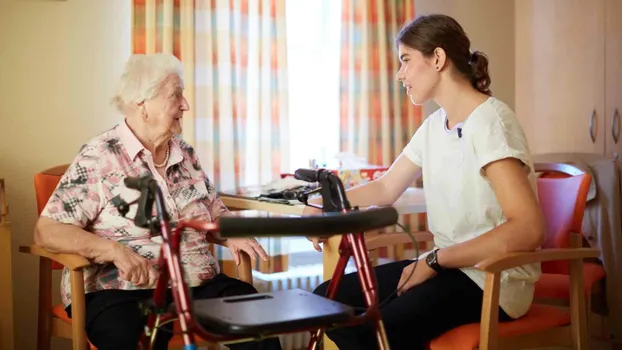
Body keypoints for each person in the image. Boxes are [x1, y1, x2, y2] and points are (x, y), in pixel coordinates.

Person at [308, 14, 545, 350]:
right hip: (447, 267)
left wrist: (434, 260)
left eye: (405, 61)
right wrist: (327, 210)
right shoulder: (436, 125)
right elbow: (387, 187)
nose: (399, 74)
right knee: (326, 302)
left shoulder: (491, 123)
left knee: (379, 328)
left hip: (491, 278)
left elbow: (528, 228)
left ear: (437, 58)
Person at [34, 53, 283, 350]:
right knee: (134, 340)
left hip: (195, 283)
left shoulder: (185, 154)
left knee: (260, 329)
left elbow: (214, 212)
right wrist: (113, 251)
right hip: (121, 290)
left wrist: (230, 233)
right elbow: (47, 230)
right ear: (142, 103)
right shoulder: (99, 156)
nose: (185, 105)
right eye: (175, 95)